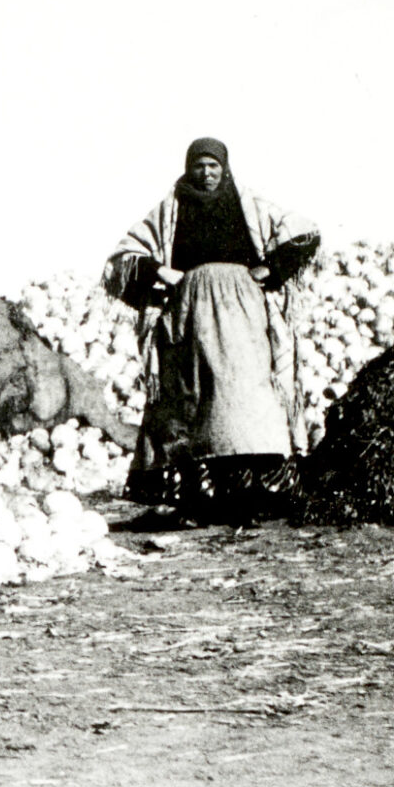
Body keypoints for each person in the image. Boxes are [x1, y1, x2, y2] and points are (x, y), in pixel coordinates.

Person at [102, 138, 320, 521]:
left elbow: (303, 232)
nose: (207, 173)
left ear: (225, 168)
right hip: (190, 316)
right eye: (199, 166)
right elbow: (125, 255)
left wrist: (270, 268)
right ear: (189, 168)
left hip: (244, 314)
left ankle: (252, 499)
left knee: (248, 402)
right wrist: (160, 271)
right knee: (194, 402)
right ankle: (200, 502)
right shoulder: (171, 208)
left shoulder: (249, 203)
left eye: (213, 166)